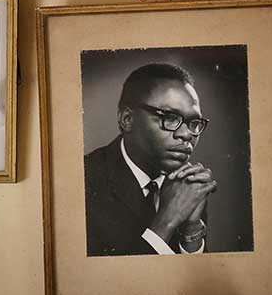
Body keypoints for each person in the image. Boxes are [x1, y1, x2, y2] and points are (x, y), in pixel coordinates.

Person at [85, 63, 216, 256]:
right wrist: (167, 221)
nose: (187, 134)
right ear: (127, 119)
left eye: (194, 123)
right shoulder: (84, 181)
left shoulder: (186, 186)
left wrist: (192, 229)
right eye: (170, 118)